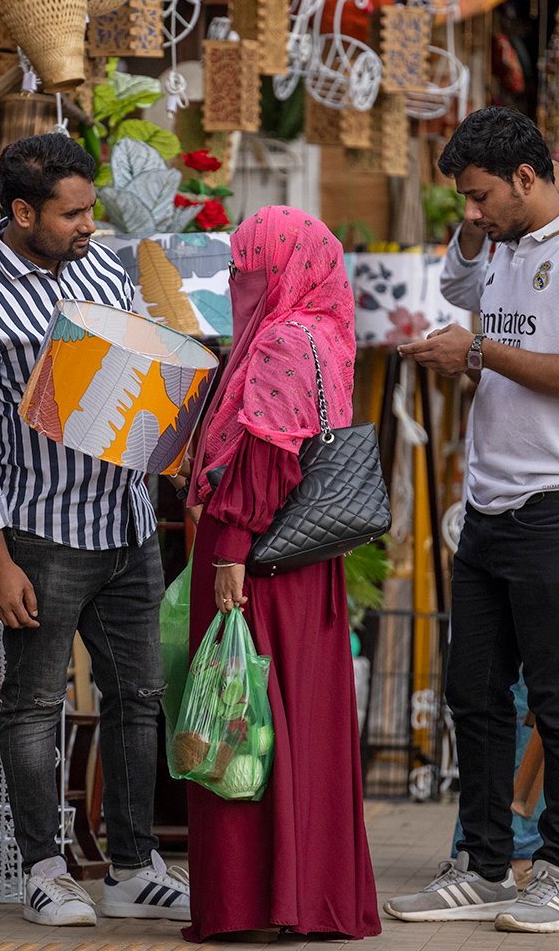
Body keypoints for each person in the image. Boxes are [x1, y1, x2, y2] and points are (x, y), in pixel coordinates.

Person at [390, 106, 559, 934]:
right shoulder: (501, 247)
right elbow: (459, 284)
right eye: (463, 197)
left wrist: (481, 354)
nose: (471, 211)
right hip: (490, 505)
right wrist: (472, 254)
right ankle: (486, 864)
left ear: (527, 178)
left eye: (481, 195)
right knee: (474, 693)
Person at [0, 133, 188, 927]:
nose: (88, 224)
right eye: (71, 213)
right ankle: (46, 870)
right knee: (36, 704)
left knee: (138, 696)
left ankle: (134, 865)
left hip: (126, 520)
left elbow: (141, 365)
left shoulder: (102, 266)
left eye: (90, 208)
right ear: (20, 211)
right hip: (42, 532)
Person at [177, 207, 379, 942]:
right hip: (308, 564)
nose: (237, 282)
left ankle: (246, 903)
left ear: (283, 270)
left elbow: (265, 457)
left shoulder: (278, 342)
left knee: (234, 715)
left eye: (249, 270)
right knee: (298, 725)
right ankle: (311, 898)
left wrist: (227, 549)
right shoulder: (325, 330)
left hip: (252, 557)